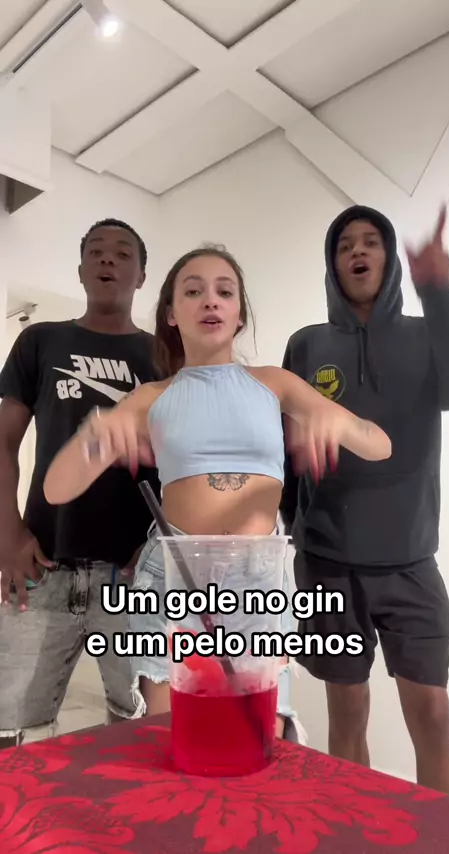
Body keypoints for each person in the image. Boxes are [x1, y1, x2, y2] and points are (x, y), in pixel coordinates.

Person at [43, 244, 391, 744]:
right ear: (171, 313)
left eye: (224, 292)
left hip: (258, 575)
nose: (210, 300)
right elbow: (57, 488)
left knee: (261, 734)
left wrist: (336, 425)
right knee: (171, 734)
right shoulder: (150, 397)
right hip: (173, 575)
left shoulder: (275, 383)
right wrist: (94, 435)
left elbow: (379, 445)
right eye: (193, 291)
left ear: (239, 313)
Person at [280, 205, 449, 795]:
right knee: (346, 713)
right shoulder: (307, 344)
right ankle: (352, 830)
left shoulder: (425, 333)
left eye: (371, 242)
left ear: (389, 258)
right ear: (332, 263)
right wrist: (293, 520)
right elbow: (283, 442)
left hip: (410, 563)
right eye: (345, 245)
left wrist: (439, 289)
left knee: (433, 715)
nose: (358, 252)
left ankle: (446, 835)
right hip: (328, 564)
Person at [0, 218, 161, 748]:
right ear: (81, 269)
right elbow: (3, 443)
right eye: (96, 251)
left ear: (141, 275)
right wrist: (8, 535)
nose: (107, 259)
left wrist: (160, 550)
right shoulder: (39, 340)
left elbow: (185, 462)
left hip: (134, 578)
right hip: (42, 568)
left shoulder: (165, 357)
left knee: (139, 733)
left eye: (122, 253)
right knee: (12, 734)